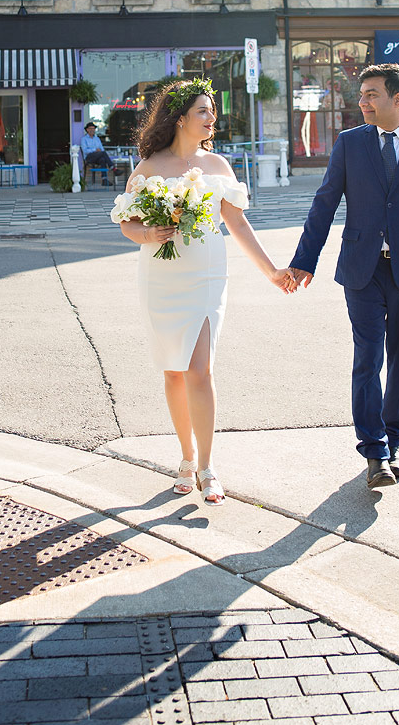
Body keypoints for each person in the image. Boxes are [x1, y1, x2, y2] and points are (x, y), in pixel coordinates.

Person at [115, 78, 296, 505]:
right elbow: (126, 222)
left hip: (207, 276)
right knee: (173, 371)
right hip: (161, 278)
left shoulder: (218, 167)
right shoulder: (148, 168)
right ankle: (185, 457)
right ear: (180, 118)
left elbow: (237, 222)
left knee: (200, 370)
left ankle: (207, 466)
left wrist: (271, 271)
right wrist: (148, 233)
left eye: (212, 111)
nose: (212, 117)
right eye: (203, 110)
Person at [289, 63, 399, 491]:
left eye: (372, 94)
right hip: (362, 270)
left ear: (398, 99)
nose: (362, 102)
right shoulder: (349, 144)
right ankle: (375, 451)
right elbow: (324, 204)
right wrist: (304, 260)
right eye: (361, 94)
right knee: (368, 359)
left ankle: (394, 439)